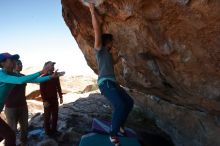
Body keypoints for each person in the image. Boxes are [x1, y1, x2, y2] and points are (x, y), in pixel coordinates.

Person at [88, 3, 134, 146]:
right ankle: (112, 134)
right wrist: (91, 10)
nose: (113, 44)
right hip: (105, 83)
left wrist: (121, 57)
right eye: (112, 42)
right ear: (107, 42)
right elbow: (97, 30)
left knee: (129, 102)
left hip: (113, 83)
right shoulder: (100, 50)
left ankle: (120, 125)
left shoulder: (108, 54)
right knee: (119, 105)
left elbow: (113, 62)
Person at [0, 52, 60, 146]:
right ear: (2, 63)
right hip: (11, 107)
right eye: (11, 59)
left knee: (5, 134)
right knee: (10, 135)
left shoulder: (14, 75)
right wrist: (41, 72)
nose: (14, 61)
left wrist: (50, 77)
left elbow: (34, 80)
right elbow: (19, 81)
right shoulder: (1, 75)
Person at [40, 61, 63, 136]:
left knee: (55, 115)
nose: (53, 67)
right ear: (47, 67)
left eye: (53, 65)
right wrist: (44, 101)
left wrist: (60, 96)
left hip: (54, 99)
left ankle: (54, 130)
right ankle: (47, 132)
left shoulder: (55, 76)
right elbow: (42, 90)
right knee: (47, 116)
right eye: (51, 65)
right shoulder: (43, 77)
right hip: (47, 100)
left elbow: (58, 86)